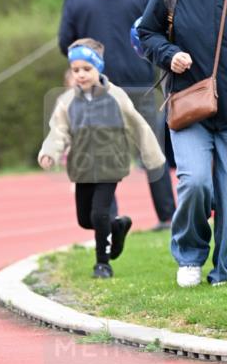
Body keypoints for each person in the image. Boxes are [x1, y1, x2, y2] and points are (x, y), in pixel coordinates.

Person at [139, 0, 227, 287]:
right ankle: (190, 256)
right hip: (189, 108)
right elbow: (146, 33)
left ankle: (225, 269)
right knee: (195, 183)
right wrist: (169, 54)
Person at [59, 0, 176, 229]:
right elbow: (155, 33)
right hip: (140, 82)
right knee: (151, 148)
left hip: (98, 87)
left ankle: (108, 216)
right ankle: (167, 215)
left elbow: (65, 43)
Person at [38, 39, 165, 279]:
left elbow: (138, 126)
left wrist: (152, 157)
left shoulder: (116, 97)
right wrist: (49, 153)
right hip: (82, 168)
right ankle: (117, 226)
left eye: (87, 69)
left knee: (99, 214)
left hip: (110, 166)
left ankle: (102, 264)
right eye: (76, 70)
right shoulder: (67, 101)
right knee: (86, 220)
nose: (81, 74)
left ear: (98, 68)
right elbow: (58, 131)